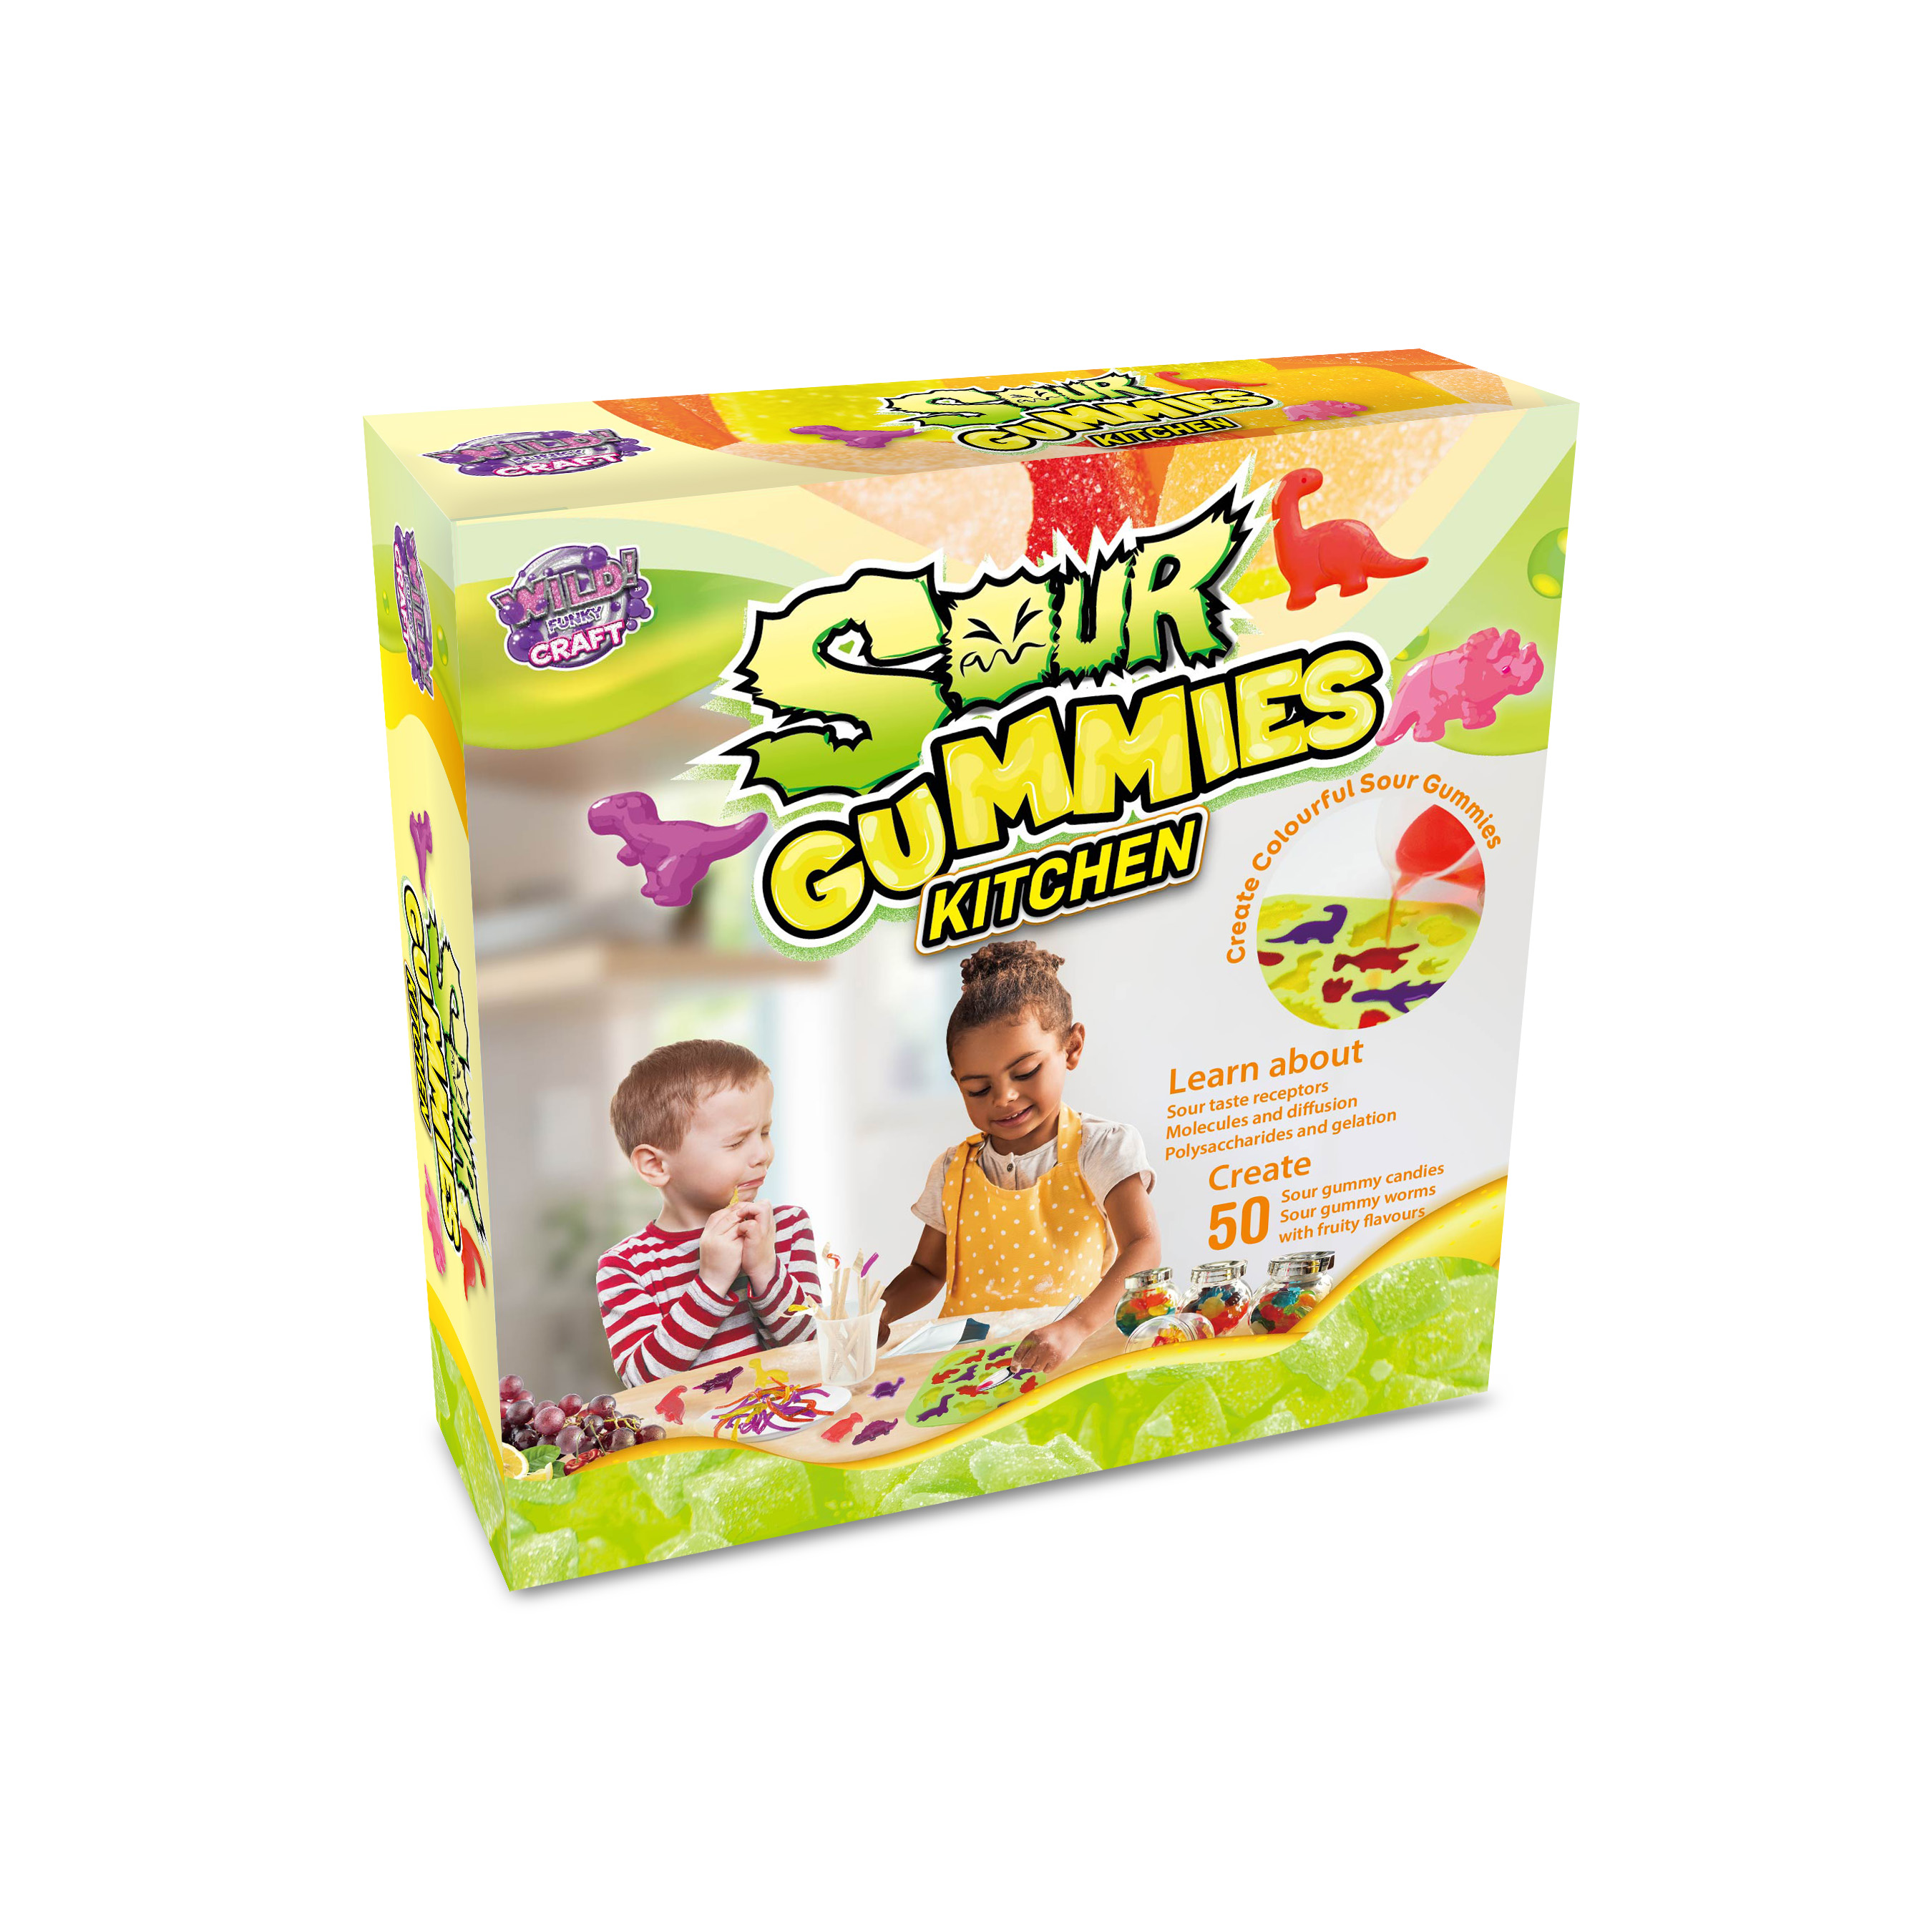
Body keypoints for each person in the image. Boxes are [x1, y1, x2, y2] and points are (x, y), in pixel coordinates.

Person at [878, 942, 1159, 1375]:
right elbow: (926, 1271)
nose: (1004, 1097)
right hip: (969, 1374)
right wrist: (877, 1314)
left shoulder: (1100, 1147)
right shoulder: (953, 1169)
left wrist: (1075, 1326)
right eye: (978, 1089)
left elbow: (1143, 1245)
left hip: (1067, 1364)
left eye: (1026, 1072)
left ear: (1072, 1047)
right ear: (958, 1082)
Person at [596, 1039, 818, 1387]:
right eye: (736, 1142)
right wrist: (711, 1283)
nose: (762, 1154)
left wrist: (765, 1269)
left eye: (764, 1132)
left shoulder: (787, 1227)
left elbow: (813, 1347)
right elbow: (642, 1382)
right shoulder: (626, 1267)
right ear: (655, 1165)